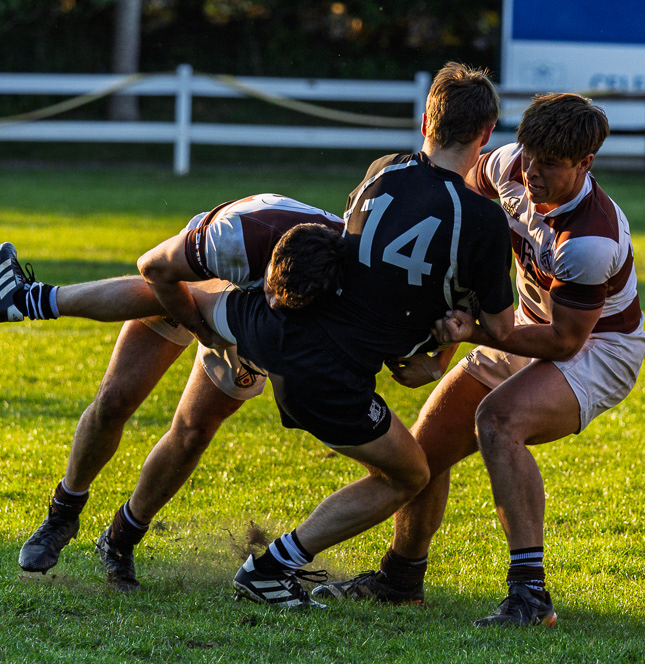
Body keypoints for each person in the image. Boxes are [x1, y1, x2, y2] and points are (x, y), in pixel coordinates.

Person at [311, 93, 645, 628]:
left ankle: (531, 597)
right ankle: (401, 580)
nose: (533, 172)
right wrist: (442, 353)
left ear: (585, 163)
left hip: (599, 349)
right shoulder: (506, 165)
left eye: (551, 164)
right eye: (530, 155)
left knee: (498, 421)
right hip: (520, 329)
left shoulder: (589, 239)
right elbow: (460, 245)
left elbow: (566, 342)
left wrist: (472, 333)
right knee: (422, 454)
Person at [185, 62, 517, 608]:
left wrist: (428, 348)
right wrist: (451, 337)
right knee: (410, 474)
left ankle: (48, 299)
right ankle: (272, 567)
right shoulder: (482, 219)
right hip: (330, 375)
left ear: (426, 121)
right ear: (486, 135)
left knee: (167, 289)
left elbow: (363, 267)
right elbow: (500, 327)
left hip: (277, 325)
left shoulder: (381, 171)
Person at [0, 194, 347, 591]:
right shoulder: (233, 240)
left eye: (282, 300)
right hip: (207, 275)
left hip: (276, 309)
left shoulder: (353, 280)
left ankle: (119, 540)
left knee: (193, 433)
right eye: (271, 290)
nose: (272, 302)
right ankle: (63, 513)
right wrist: (199, 326)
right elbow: (153, 268)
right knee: (115, 400)